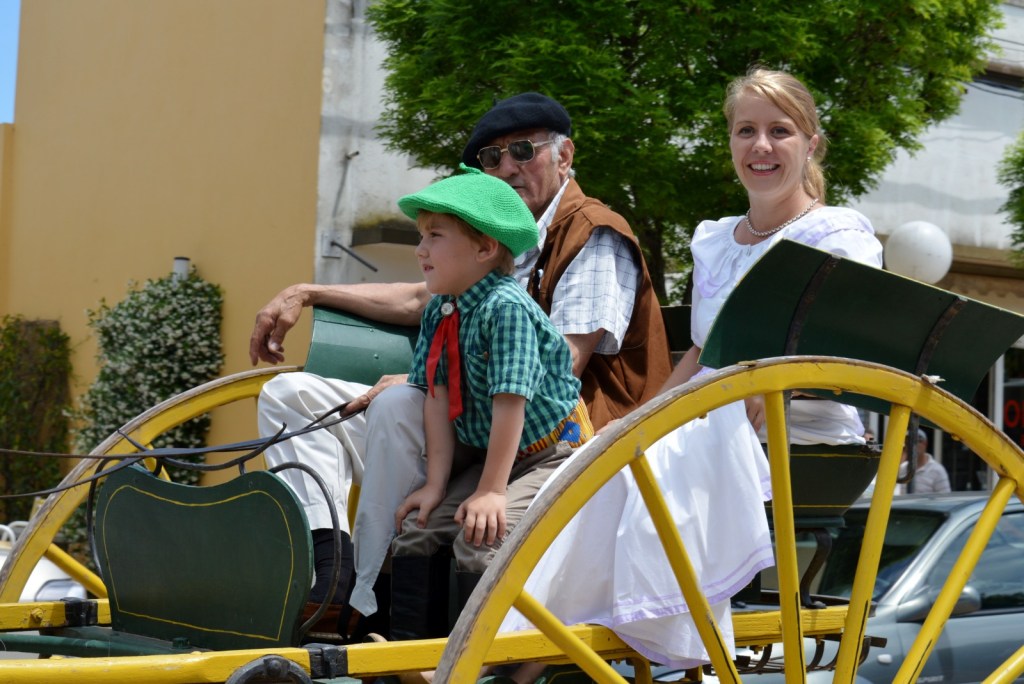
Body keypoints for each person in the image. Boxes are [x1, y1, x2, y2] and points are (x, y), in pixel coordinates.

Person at [499, 68, 884, 670]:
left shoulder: (838, 236)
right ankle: (524, 647)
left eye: (779, 131)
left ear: (810, 143)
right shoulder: (714, 240)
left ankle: (519, 659)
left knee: (647, 465)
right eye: (745, 130)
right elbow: (703, 352)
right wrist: (640, 422)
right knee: (591, 463)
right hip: (715, 409)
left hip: (794, 424)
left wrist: (741, 401)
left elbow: (834, 355)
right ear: (730, 141)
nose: (760, 146)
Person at [249, 92, 671, 628]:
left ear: (565, 156)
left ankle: (374, 593)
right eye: (491, 159)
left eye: (523, 150)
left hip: (552, 439)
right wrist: (307, 292)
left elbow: (563, 362)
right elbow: (418, 301)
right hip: (473, 426)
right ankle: (330, 567)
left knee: (404, 399)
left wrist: (426, 377)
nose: (507, 167)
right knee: (291, 396)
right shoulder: (464, 260)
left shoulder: (592, 234)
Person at [386, 165, 593, 657]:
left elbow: (510, 407)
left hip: (550, 453)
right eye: (421, 237)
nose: (421, 250)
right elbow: (436, 399)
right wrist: (435, 485)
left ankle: (471, 665)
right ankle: (408, 658)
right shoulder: (441, 308)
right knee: (419, 529)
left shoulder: (507, 308)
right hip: (494, 456)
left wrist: (491, 491)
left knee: (480, 538)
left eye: (435, 236)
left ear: (485, 249)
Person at [899, 429, 951, 494]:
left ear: (925, 444)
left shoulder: (937, 470)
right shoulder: (902, 468)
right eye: (907, 442)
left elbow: (945, 498)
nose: (911, 446)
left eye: (916, 442)